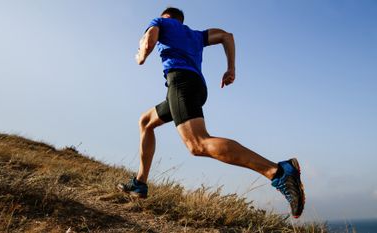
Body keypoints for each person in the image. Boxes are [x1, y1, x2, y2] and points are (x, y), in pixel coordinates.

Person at [117, 7, 305, 218]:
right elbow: (227, 36)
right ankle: (140, 184)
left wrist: (142, 54)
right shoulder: (196, 35)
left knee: (197, 144)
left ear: (167, 17)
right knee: (146, 121)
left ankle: (278, 172)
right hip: (195, 86)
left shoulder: (162, 22)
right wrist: (231, 68)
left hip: (180, 83)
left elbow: (149, 38)